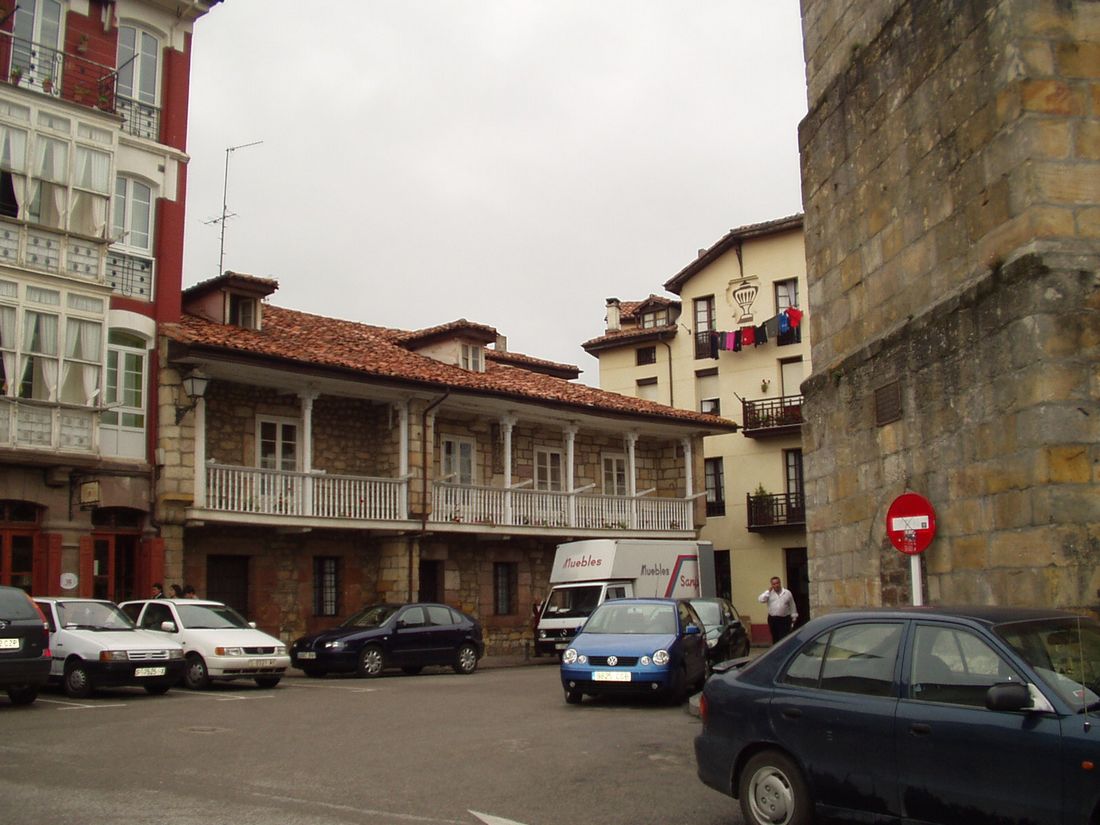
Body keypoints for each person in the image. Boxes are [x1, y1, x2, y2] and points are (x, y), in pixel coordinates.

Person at [758, 577, 798, 643]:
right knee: (775, 637)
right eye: (773, 584)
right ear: (771, 585)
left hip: (785, 619)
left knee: (784, 638)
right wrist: (768, 591)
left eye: (777, 583)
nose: (776, 585)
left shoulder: (787, 593)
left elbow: (792, 605)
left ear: (780, 583)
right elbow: (761, 600)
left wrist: (794, 618)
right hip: (773, 619)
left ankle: (785, 651)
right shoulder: (768, 594)